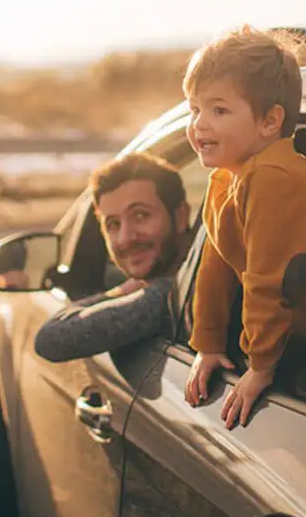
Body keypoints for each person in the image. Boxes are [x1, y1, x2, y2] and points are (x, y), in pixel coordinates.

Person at [182, 25, 306, 429]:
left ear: (269, 122)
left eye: (219, 110)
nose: (199, 124)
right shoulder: (229, 178)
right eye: (194, 109)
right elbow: (216, 266)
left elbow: (271, 280)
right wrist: (208, 343)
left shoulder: (273, 179)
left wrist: (260, 367)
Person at [33, 151, 193, 362]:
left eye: (141, 215)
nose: (126, 238)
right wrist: (126, 289)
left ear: (181, 216)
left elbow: (50, 340)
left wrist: (119, 293)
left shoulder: (172, 294)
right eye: (113, 224)